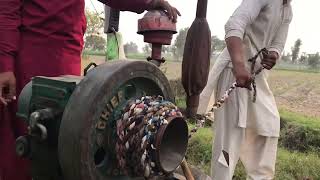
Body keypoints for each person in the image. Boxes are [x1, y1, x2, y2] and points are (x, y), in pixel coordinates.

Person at [0, 0, 180, 179]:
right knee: (31, 139)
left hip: (68, 55)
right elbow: (7, 10)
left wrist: (150, 2)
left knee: (69, 135)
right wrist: (5, 65)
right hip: (30, 59)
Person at [197, 0, 292, 179]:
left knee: (269, 126)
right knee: (229, 141)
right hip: (233, 72)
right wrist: (239, 66)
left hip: (256, 77)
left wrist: (274, 54)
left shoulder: (287, 9)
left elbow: (278, 44)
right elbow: (234, 24)